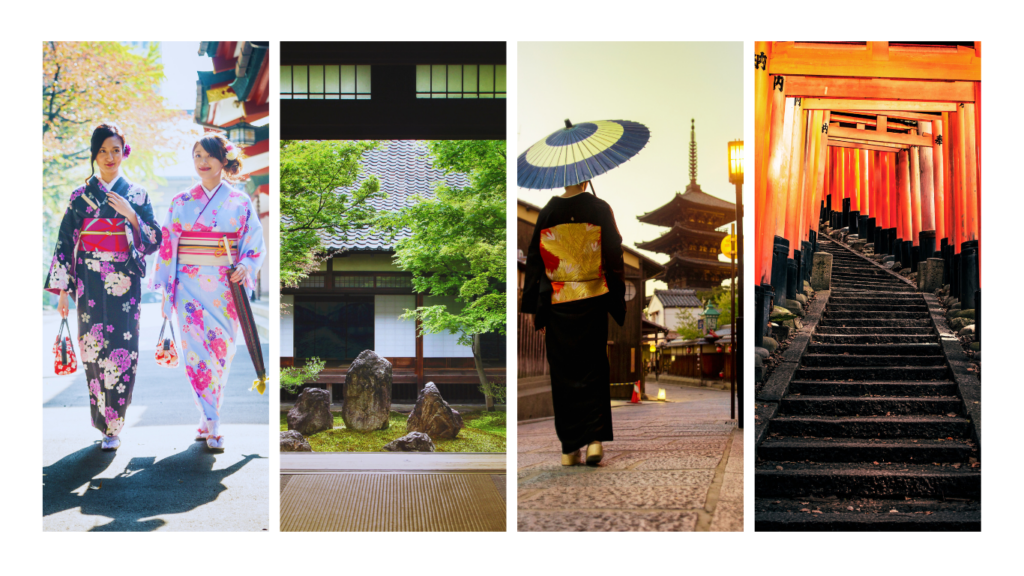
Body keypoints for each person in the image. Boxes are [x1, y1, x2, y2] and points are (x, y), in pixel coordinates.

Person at [45, 123, 163, 451]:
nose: (109, 157)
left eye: (115, 150)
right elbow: (65, 243)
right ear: (94, 155)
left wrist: (132, 216)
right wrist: (64, 293)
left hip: (124, 281)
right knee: (93, 349)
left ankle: (116, 424)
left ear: (124, 152)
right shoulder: (79, 197)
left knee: (124, 351)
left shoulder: (137, 194)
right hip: (89, 280)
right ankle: (102, 423)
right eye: (102, 151)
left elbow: (154, 239)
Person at [150, 133, 265, 451]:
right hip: (188, 289)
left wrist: (246, 265)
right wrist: (166, 291)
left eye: (207, 156)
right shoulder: (180, 201)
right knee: (197, 356)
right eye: (197, 156)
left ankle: (206, 414)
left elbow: (253, 242)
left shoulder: (240, 202)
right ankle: (214, 423)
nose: (202, 162)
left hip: (224, 290)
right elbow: (168, 246)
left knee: (220, 354)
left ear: (223, 160)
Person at [522, 180, 625, 466]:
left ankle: (569, 448)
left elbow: (536, 260)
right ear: (585, 178)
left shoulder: (547, 213)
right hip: (591, 300)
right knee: (593, 367)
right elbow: (615, 253)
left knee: (563, 372)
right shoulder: (600, 208)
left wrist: (537, 309)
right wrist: (615, 298)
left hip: (558, 303)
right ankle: (594, 441)